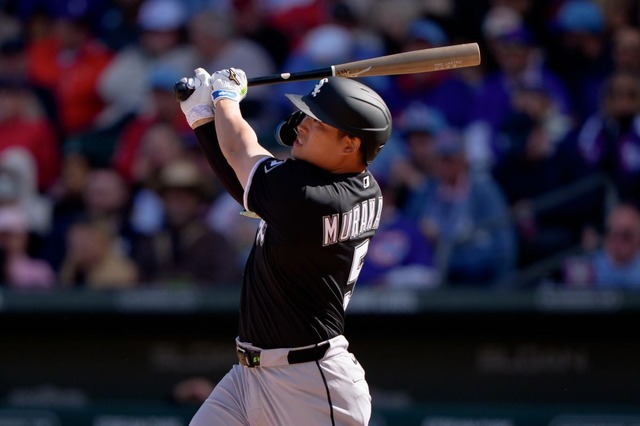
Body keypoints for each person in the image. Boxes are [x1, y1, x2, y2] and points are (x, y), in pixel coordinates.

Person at [177, 67, 391, 424]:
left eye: (317, 123)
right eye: (306, 116)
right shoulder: (358, 187)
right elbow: (249, 187)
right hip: (250, 376)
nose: (302, 126)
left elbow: (240, 150)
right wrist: (202, 118)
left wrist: (225, 98)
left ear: (350, 145)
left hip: (311, 385)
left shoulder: (310, 197)